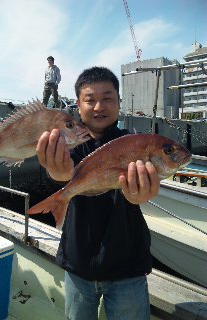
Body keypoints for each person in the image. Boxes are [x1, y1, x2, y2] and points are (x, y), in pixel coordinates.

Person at [36, 66, 160, 320]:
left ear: (118, 103)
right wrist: (58, 174)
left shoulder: (133, 143)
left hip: (128, 267)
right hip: (78, 264)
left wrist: (141, 196)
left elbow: (144, 189)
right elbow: (60, 171)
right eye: (90, 100)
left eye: (108, 98)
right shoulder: (69, 143)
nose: (99, 106)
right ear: (78, 106)